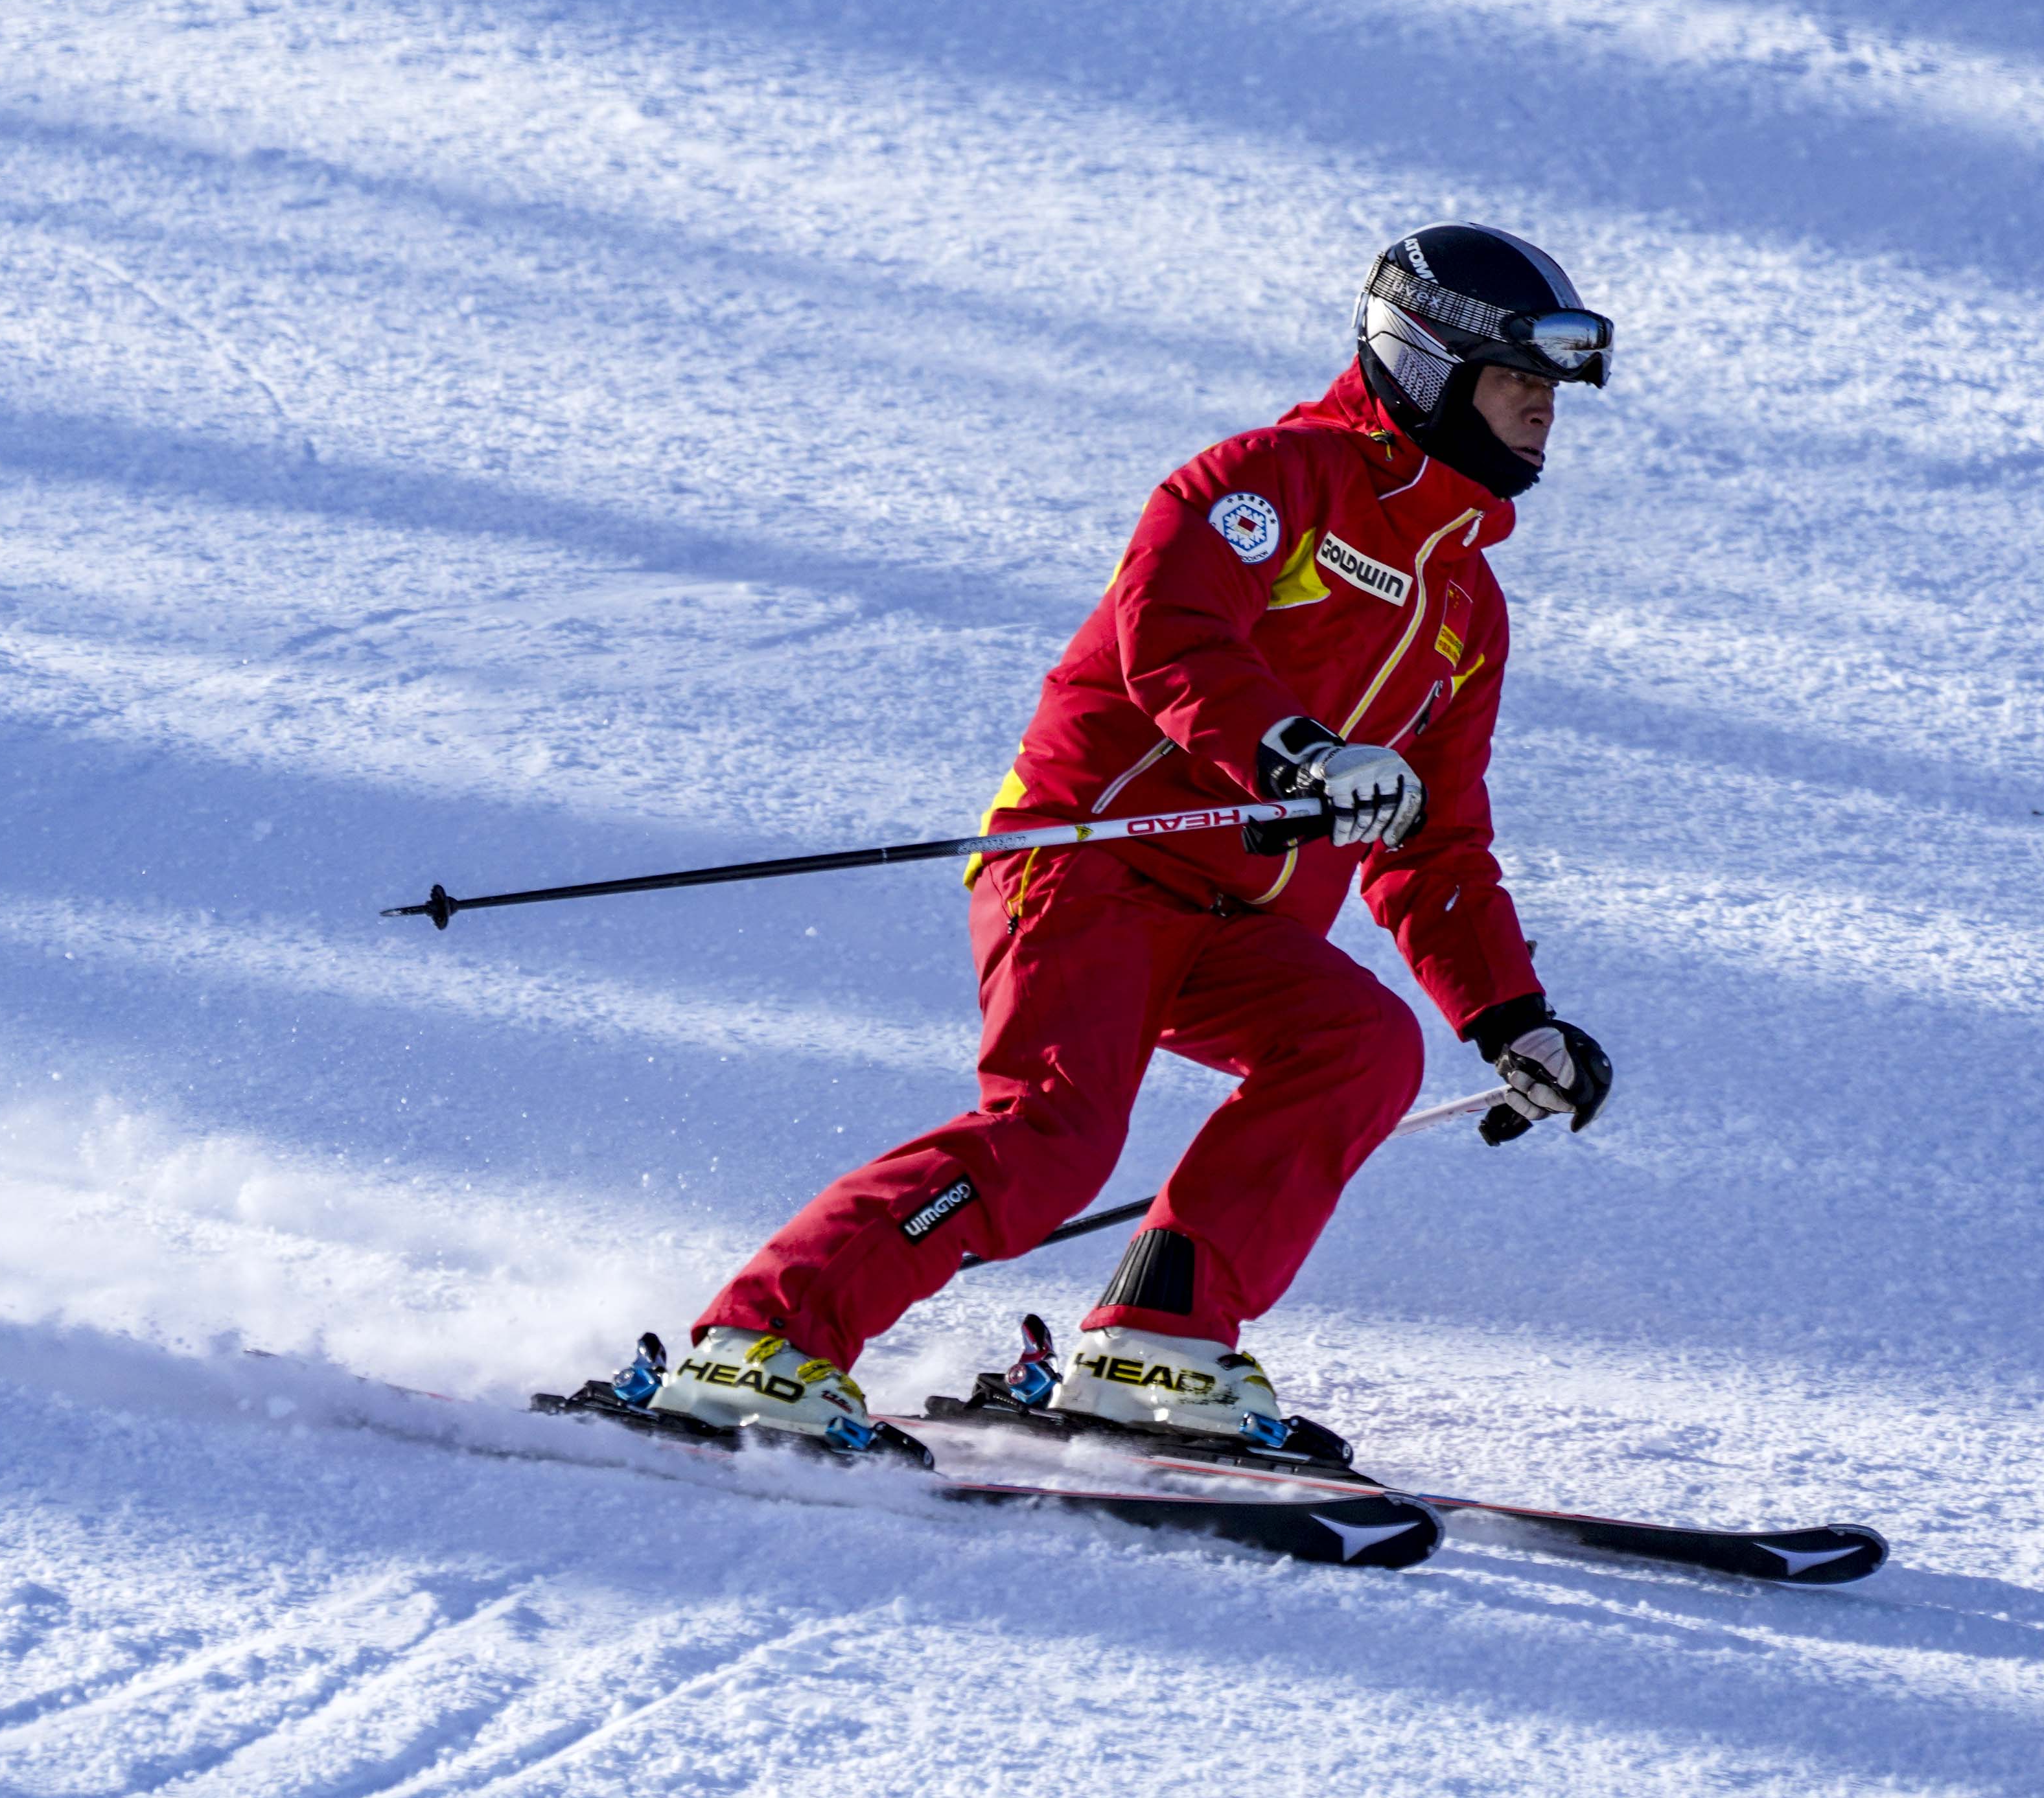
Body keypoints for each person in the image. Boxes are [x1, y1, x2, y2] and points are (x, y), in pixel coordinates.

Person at [641, 224, 1618, 1458]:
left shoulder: (1464, 607)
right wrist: (1300, 756)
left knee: (1358, 1043)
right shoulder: (1270, 482)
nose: (1543, 408)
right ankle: (758, 1348)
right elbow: (1174, 641)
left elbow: (1436, 840)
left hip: (1240, 927)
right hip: (1093, 859)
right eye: (1517, 377)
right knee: (1050, 1135)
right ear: (1423, 362)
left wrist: (1508, 1016)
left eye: (1554, 388)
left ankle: (1153, 1340)